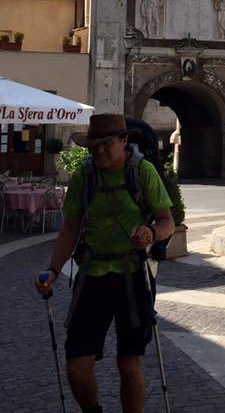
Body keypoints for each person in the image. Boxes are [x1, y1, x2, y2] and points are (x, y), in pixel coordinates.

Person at [35, 114, 175, 413]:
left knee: (129, 364)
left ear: (123, 141)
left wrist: (151, 233)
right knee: (76, 365)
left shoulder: (142, 171)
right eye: (93, 146)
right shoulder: (85, 176)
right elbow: (70, 227)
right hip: (92, 276)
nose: (98, 151)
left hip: (132, 276)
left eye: (106, 144)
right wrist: (54, 269)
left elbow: (167, 222)